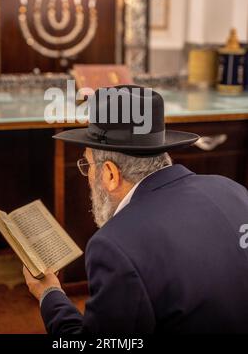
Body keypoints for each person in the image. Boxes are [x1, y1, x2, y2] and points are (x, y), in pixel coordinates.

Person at [24, 86, 248, 334]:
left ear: (110, 173)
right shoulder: (232, 189)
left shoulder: (115, 246)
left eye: (88, 166)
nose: (88, 177)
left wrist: (49, 293)